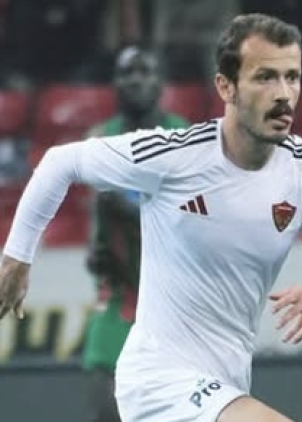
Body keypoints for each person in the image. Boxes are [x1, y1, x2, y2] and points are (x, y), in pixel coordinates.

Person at [0, 14, 302, 422]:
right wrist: (16, 260)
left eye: (292, 77)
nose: (283, 94)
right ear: (226, 87)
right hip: (158, 381)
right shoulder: (177, 156)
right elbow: (61, 162)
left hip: (227, 383)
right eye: (265, 78)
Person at [82, 45, 189, 422]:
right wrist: (95, 247)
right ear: (115, 83)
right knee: (106, 404)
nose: (136, 81)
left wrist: (127, 207)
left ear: (160, 82)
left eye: (145, 72)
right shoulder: (101, 138)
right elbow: (98, 214)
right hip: (120, 292)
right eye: (127, 73)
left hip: (173, 298)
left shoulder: (184, 137)